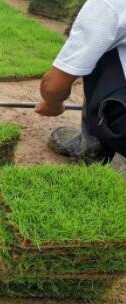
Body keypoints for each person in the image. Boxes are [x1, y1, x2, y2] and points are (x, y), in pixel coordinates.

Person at [35, 0, 126, 174]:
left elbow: (54, 85)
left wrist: (52, 105)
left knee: (96, 54)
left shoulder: (108, 4)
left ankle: (93, 149)